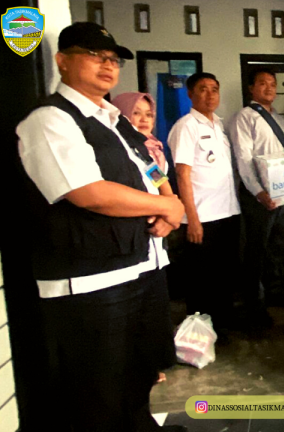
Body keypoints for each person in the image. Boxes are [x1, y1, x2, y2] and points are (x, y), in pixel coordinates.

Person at [16, 22, 186, 432]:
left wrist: (171, 202)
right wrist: (168, 204)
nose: (108, 65)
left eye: (113, 59)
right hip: (91, 281)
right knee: (98, 391)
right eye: (95, 56)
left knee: (140, 371)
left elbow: (148, 166)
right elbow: (88, 192)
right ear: (62, 60)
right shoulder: (50, 120)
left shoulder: (114, 119)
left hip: (140, 266)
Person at [167, 73, 241, 333]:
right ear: (190, 94)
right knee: (201, 281)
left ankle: (221, 328)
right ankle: (198, 334)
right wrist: (192, 219)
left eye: (214, 89)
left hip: (227, 212)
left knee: (223, 276)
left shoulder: (219, 125)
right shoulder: (186, 126)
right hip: (202, 218)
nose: (210, 95)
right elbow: (182, 174)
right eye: (203, 89)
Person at [113, 91, 174, 382]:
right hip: (130, 236)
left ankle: (152, 362)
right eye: (135, 113)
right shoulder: (116, 149)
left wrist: (172, 211)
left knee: (153, 305)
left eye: (148, 114)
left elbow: (161, 181)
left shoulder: (147, 150)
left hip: (156, 236)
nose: (143, 120)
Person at [229, 68, 284, 326]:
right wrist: (258, 192)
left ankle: (275, 292)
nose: (269, 88)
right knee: (256, 248)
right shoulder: (244, 117)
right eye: (262, 83)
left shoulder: (280, 119)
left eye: (273, 84)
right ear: (251, 88)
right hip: (258, 194)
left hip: (282, 193)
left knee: (277, 244)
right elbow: (244, 159)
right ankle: (254, 304)